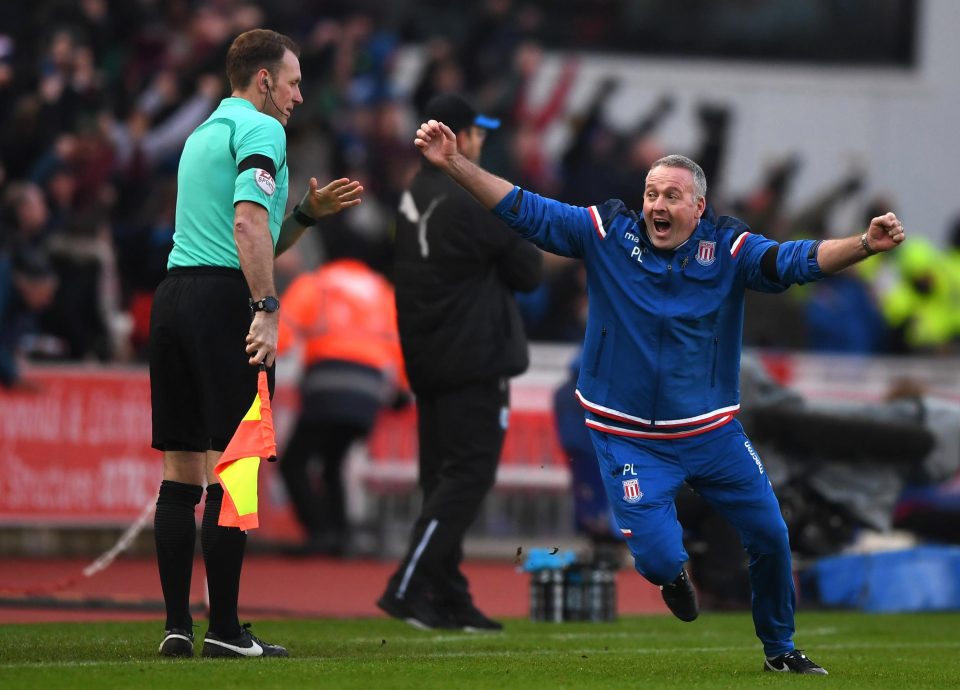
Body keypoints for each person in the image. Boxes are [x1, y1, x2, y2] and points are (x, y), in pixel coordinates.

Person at [409, 117, 906, 672]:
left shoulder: (730, 247)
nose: (657, 205)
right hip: (629, 437)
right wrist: (453, 163)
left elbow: (792, 261)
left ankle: (780, 649)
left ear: (698, 207)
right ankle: (673, 576)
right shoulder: (605, 232)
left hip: (711, 432)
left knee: (770, 533)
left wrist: (864, 244)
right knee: (658, 557)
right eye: (651, 194)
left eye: (672, 196)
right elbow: (527, 209)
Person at [149, 29, 362, 659]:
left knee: (181, 470)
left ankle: (176, 627)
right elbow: (244, 225)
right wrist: (267, 308)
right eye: (293, 82)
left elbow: (248, 229)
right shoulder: (264, 130)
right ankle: (227, 630)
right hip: (223, 303)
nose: (300, 95)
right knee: (237, 470)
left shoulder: (202, 133)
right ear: (264, 79)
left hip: (174, 297)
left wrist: (302, 217)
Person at [376, 94, 543, 631]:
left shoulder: (413, 193)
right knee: (469, 474)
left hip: (427, 359)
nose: (482, 141)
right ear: (460, 137)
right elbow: (529, 270)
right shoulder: (470, 198)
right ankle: (408, 584)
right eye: (477, 131)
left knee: (441, 479)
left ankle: (447, 593)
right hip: (475, 359)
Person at [277, 227, 408, 557]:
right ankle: (340, 534)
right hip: (369, 393)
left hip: (326, 385)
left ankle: (321, 533)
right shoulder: (382, 291)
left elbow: (281, 332)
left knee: (293, 463)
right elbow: (401, 345)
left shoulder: (316, 283)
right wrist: (402, 390)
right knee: (333, 461)